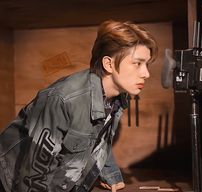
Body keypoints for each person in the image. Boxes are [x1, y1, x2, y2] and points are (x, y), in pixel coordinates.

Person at [0, 20, 158, 192]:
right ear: (109, 64)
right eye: (137, 63)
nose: (146, 74)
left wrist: (110, 174)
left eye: (147, 64)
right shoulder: (63, 99)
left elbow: (98, 138)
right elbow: (32, 178)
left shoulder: (117, 97)